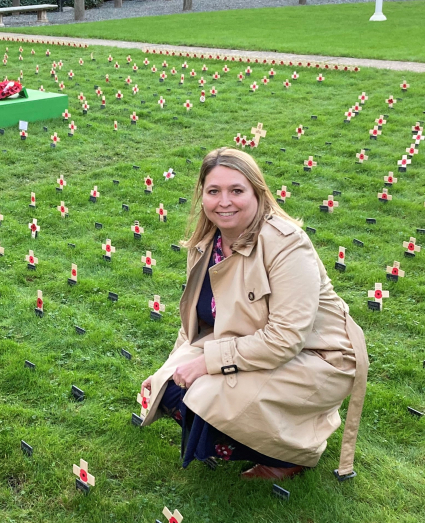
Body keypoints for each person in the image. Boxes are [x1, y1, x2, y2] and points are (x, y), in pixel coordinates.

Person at [140, 147, 368, 480]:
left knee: (203, 398)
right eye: (213, 191)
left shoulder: (288, 245)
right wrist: (169, 368)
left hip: (315, 357)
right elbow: (197, 325)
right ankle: (267, 436)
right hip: (248, 344)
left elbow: (286, 338)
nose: (224, 201)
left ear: (258, 193)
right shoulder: (206, 245)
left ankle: (291, 456)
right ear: (201, 195)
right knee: (170, 389)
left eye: (237, 190)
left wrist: (207, 364)